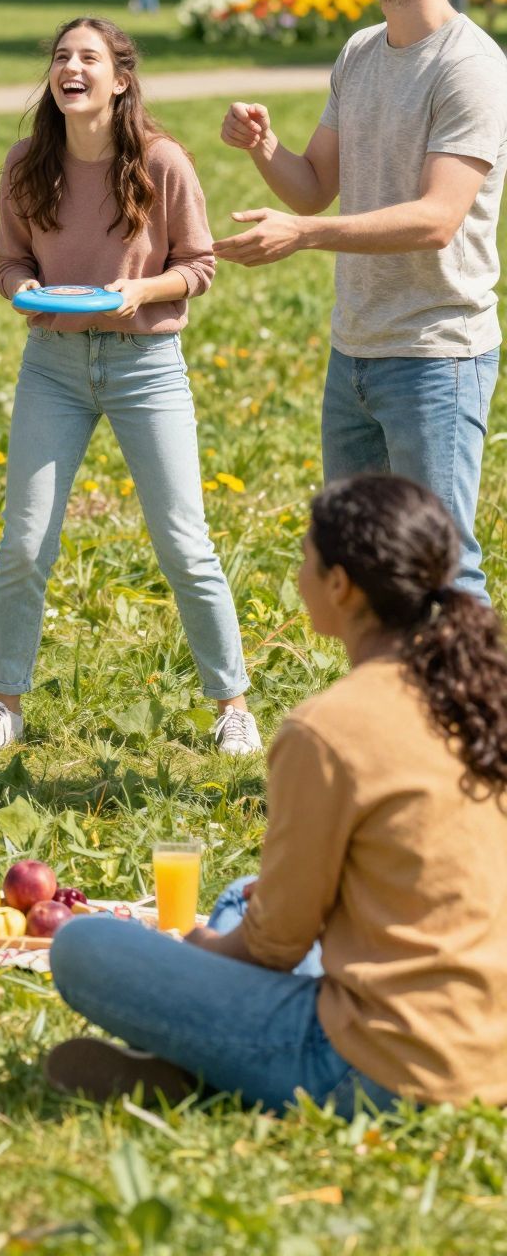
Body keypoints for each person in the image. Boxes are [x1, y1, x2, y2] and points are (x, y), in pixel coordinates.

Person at [44, 474, 507, 1113]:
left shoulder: (329, 728)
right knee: (240, 894)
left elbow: (273, 946)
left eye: (306, 560)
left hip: (380, 1070)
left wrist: (201, 950)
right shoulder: (482, 694)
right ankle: (196, 1060)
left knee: (82, 946)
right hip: (492, 1047)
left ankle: (200, 1064)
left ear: (340, 584)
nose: (298, 575)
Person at [0, 17, 259, 756]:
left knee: (184, 541)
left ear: (120, 79)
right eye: (61, 56)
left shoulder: (161, 162)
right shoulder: (28, 161)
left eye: (87, 57)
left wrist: (140, 291)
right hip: (53, 368)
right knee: (25, 543)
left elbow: (199, 263)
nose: (70, 67)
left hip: (145, 366)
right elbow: (8, 262)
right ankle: (5, 704)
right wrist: (26, 288)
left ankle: (233, 706)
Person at [217, 0, 507, 601]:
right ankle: (386, 714)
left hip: (436, 357)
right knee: (362, 564)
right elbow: (313, 188)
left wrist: (302, 238)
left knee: (443, 567)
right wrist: (263, 148)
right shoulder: (359, 53)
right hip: (356, 354)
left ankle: (472, 718)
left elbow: (439, 218)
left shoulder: (469, 66)